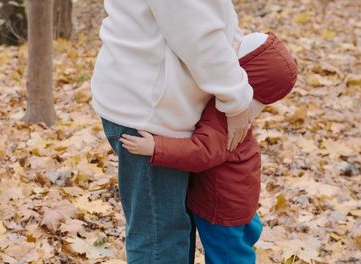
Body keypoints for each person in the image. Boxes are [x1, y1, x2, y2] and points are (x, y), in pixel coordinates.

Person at [91, 0, 269, 263]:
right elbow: (199, 35)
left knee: (171, 230)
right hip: (150, 113)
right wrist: (237, 98)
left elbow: (218, 19)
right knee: (159, 240)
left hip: (163, 107)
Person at [119, 32, 298, 263]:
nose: (230, 47)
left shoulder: (226, 118)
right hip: (237, 201)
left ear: (245, 74)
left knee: (228, 258)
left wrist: (156, 148)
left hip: (223, 209)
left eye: (238, 49)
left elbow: (203, 151)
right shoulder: (236, 112)